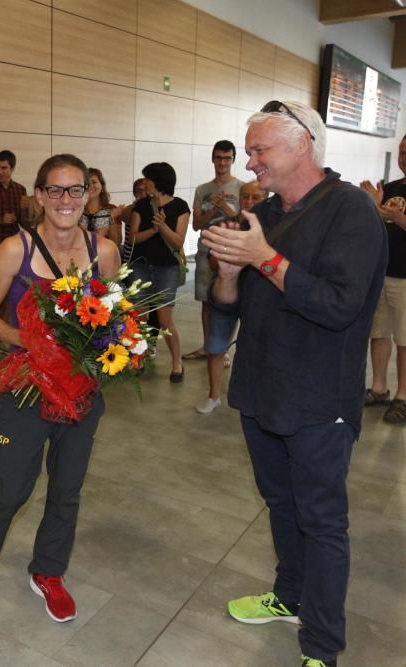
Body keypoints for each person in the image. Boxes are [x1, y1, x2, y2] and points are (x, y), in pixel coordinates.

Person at [204, 100, 386, 667]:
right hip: (262, 392)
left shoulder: (350, 210)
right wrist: (233, 276)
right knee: (280, 505)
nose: (251, 161)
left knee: (322, 522)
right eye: (249, 149)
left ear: (303, 142)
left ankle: (323, 646)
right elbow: (231, 309)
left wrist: (264, 258)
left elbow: (339, 306)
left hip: (316, 401)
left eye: (260, 149)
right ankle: (288, 597)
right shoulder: (273, 214)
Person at [0, 154, 120, 623]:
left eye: (75, 190)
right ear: (39, 196)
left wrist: (112, 344)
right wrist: (29, 340)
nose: (66, 199)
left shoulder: (103, 252)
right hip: (25, 389)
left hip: (81, 392)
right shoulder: (14, 250)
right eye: (56, 190)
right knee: (9, 487)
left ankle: (49, 571)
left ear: (89, 195)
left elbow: (113, 315)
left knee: (67, 489)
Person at [195, 180, 266, 415]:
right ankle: (214, 395)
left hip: (259, 298)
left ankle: (257, 396)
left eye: (256, 197)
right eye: (245, 197)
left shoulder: (274, 229)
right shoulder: (228, 226)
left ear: (267, 197)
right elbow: (213, 261)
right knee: (215, 345)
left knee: (259, 348)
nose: (249, 202)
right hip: (225, 294)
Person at [129, 162, 190, 382]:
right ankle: (139, 358)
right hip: (141, 266)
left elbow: (178, 242)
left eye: (147, 178)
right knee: (139, 317)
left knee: (165, 318)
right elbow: (133, 239)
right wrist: (153, 229)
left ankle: (177, 363)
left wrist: (163, 227)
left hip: (167, 268)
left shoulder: (180, 206)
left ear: (158, 181)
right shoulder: (141, 206)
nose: (144, 182)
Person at [360, 136, 406, 424]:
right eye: (402, 152)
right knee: (379, 333)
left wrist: (400, 219)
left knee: (405, 340)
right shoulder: (389, 189)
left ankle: (403, 396)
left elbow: (397, 221)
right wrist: (372, 207)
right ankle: (379, 388)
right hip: (382, 273)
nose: (404, 157)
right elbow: (373, 227)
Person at [185, 140, 243, 362]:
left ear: (233, 160)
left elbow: (244, 220)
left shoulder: (241, 188)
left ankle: (224, 350)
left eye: (227, 158)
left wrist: (227, 209)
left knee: (228, 301)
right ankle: (208, 346)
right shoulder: (203, 189)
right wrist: (213, 210)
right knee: (206, 301)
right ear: (212, 159)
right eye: (218, 157)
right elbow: (196, 225)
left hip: (230, 251)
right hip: (205, 248)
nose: (222, 162)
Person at [80, 167, 118, 240]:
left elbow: (117, 243)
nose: (90, 186)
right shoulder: (77, 210)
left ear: (102, 186)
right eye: (86, 183)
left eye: (94, 182)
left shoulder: (112, 209)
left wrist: (111, 220)